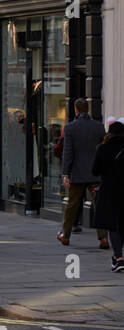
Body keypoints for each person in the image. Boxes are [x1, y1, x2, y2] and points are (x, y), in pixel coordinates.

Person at [60, 97, 107, 248]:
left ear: (76, 109)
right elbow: (103, 150)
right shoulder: (99, 127)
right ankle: (103, 238)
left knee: (72, 206)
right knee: (99, 205)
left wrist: (65, 173)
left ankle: (65, 236)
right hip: (95, 173)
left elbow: (68, 153)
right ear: (88, 109)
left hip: (77, 173)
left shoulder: (70, 128)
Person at [90, 121, 124, 273]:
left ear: (109, 133)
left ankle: (118, 258)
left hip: (110, 190)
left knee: (113, 224)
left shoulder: (102, 148)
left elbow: (95, 171)